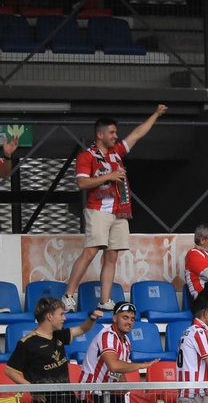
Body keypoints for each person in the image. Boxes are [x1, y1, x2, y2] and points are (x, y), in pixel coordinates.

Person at [63, 107, 167, 313]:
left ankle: (105, 300)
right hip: (98, 210)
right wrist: (109, 177)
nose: (115, 136)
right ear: (100, 135)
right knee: (90, 252)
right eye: (111, 133)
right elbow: (83, 183)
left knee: (112, 256)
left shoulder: (116, 152)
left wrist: (155, 114)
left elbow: (137, 134)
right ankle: (68, 296)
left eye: (116, 133)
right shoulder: (87, 156)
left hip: (119, 211)